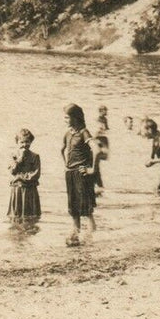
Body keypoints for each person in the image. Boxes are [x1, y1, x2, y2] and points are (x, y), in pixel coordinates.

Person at [62, 105, 100, 244]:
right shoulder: (68, 134)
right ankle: (76, 236)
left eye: (67, 117)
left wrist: (92, 169)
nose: (64, 120)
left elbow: (97, 150)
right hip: (70, 174)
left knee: (86, 209)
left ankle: (91, 238)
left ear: (76, 117)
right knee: (73, 208)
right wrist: (66, 166)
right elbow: (62, 150)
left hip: (82, 174)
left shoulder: (84, 132)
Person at [7, 129, 42, 222]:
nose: (24, 144)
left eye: (27, 141)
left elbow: (36, 174)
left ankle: (29, 228)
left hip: (30, 189)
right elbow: (12, 171)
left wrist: (20, 177)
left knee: (30, 216)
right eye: (21, 142)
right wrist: (20, 159)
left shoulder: (35, 156)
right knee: (16, 215)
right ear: (17, 142)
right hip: (17, 189)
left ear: (31, 142)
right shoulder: (13, 155)